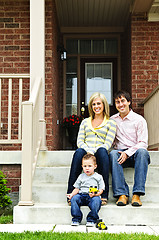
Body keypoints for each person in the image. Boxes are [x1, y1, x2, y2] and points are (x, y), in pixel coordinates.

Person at [67, 92, 116, 206]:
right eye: (93, 104)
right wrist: (88, 150)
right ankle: (71, 193)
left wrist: (94, 151)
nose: (96, 107)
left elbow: (107, 143)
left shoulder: (111, 123)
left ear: (104, 105)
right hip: (86, 151)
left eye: (99, 103)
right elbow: (79, 141)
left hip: (100, 151)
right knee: (78, 152)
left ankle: (103, 195)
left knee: (103, 152)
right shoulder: (85, 122)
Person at [109, 90, 150, 207]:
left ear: (129, 102)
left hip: (136, 155)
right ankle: (122, 194)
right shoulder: (112, 120)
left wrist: (128, 153)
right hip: (120, 155)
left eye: (123, 101)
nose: (120, 104)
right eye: (117, 102)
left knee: (143, 152)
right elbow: (110, 140)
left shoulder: (139, 120)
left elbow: (143, 143)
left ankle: (137, 194)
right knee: (112, 154)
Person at [67, 153, 105, 226]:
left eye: (89, 166)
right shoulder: (81, 176)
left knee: (97, 201)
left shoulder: (98, 177)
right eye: (85, 166)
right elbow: (77, 188)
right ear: (82, 167)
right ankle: (76, 218)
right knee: (74, 199)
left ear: (95, 166)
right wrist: (71, 194)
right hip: (81, 195)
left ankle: (91, 219)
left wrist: (96, 194)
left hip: (93, 196)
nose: (87, 168)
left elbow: (101, 190)